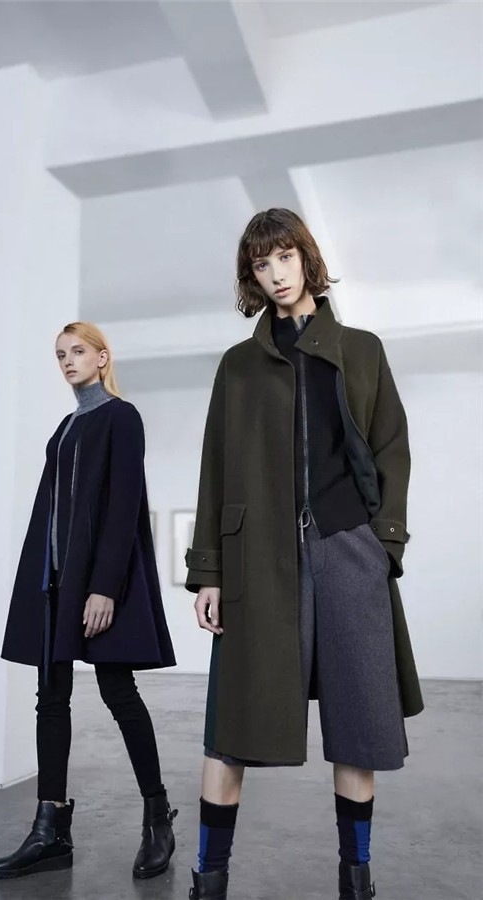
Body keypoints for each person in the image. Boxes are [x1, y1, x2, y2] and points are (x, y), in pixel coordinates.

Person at [185, 209, 423, 900]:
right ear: (252, 277)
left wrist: (383, 544)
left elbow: (392, 449)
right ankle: (208, 881)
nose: (276, 273)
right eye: (261, 264)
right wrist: (209, 571)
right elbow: (214, 468)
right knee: (232, 727)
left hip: (348, 552)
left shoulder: (361, 350)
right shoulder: (239, 366)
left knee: (357, 727)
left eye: (284, 257)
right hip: (257, 562)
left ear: (306, 259)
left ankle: (357, 879)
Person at [0, 322, 177, 882]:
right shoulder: (66, 426)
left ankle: (157, 817)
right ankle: (50, 829)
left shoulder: (122, 417)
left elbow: (124, 506)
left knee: (119, 691)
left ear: (102, 357)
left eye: (77, 352)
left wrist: (104, 587)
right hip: (53, 584)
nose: (68, 361)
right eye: (60, 355)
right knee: (51, 698)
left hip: (95, 584)